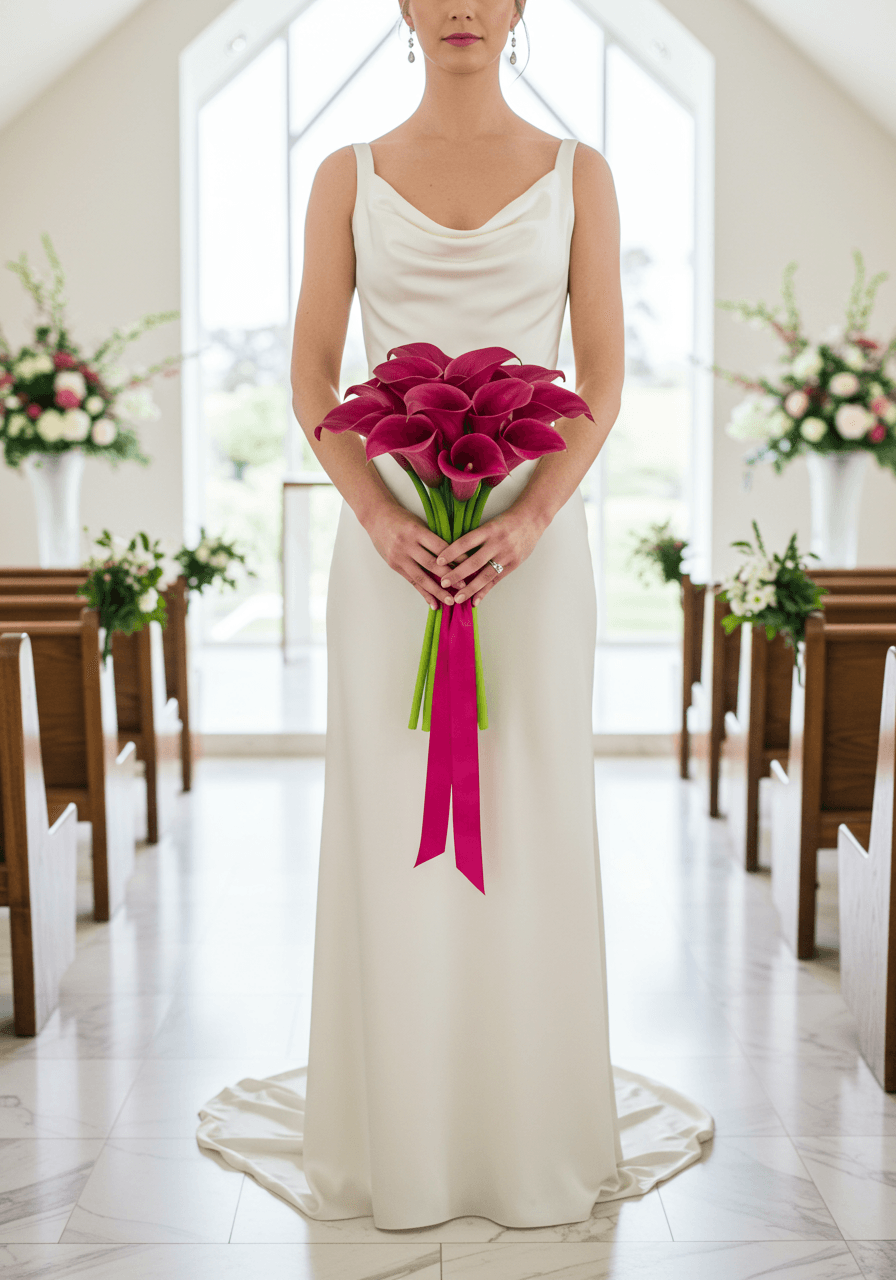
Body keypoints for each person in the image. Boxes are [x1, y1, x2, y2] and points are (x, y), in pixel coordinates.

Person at [198, 0, 712, 1228]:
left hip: (532, 551)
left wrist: (527, 522)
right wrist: (382, 519)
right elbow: (314, 368)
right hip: (387, 554)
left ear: (522, 5)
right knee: (389, 820)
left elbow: (600, 370)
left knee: (528, 808)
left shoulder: (580, 173)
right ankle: (402, 1134)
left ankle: (522, 1127)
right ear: (404, 7)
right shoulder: (346, 174)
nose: (464, 5)